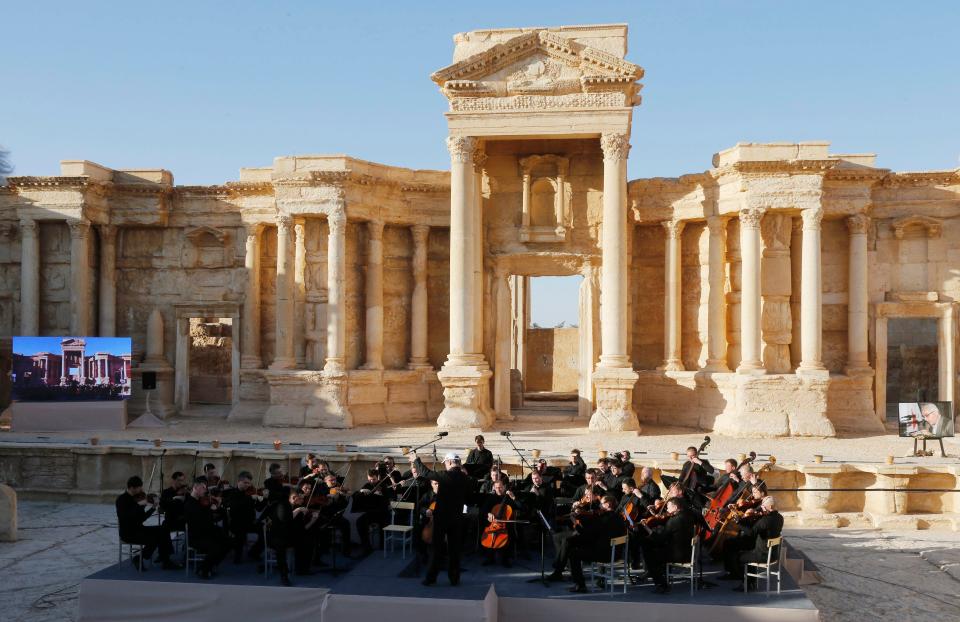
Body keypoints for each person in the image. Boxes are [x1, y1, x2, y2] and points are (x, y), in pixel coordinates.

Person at [422, 453, 470, 587]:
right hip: (457, 518)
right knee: (455, 550)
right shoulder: (464, 477)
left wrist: (416, 460)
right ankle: (454, 579)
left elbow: (426, 473)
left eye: (445, 463)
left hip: (442, 518)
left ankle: (431, 578)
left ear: (449, 462)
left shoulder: (445, 475)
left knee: (437, 549)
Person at [116, 476, 179, 570]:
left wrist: (153, 508)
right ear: (132, 488)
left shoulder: (138, 498)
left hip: (139, 529)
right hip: (128, 533)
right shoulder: (121, 500)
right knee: (155, 538)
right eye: (139, 488)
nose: (141, 490)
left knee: (163, 529)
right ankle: (139, 558)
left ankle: (165, 559)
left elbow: (142, 518)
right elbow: (124, 517)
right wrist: (138, 505)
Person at [566, 495, 627, 593]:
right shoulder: (619, 517)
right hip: (616, 553)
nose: (599, 506)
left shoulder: (603, 519)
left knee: (573, 554)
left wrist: (575, 522)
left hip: (604, 554)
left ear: (608, 504)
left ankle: (580, 585)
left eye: (601, 504)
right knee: (580, 547)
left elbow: (586, 534)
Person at [720, 496, 784, 588]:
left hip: (762, 554)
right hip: (772, 553)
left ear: (770, 507)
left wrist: (738, 522)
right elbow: (760, 527)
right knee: (733, 545)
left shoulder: (765, 520)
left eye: (763, 506)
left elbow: (751, 532)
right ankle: (750, 580)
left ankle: (747, 582)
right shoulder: (779, 518)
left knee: (740, 557)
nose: (761, 508)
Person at [639, 497, 698, 594]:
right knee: (653, 549)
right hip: (688, 551)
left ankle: (661, 584)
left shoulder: (674, 521)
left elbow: (660, 539)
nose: (666, 509)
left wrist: (646, 528)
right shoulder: (688, 516)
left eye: (668, 507)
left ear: (675, 507)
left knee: (650, 556)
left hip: (678, 555)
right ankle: (658, 572)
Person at [183, 477, 231, 579]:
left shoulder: (201, 501)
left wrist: (217, 506)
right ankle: (204, 569)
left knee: (228, 542)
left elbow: (208, 520)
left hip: (206, 532)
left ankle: (210, 565)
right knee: (217, 547)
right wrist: (211, 510)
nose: (206, 490)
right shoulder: (189, 504)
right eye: (203, 488)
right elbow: (202, 522)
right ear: (195, 487)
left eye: (206, 488)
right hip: (197, 537)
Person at [221, 471, 266, 563]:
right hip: (237, 522)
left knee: (265, 530)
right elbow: (234, 507)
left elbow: (259, 509)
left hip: (250, 522)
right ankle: (238, 556)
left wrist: (263, 499)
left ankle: (254, 552)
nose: (247, 485)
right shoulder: (231, 493)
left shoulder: (250, 493)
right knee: (240, 532)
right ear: (239, 481)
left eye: (249, 483)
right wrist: (250, 498)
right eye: (245, 483)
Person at [480, 479, 523, 567]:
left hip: (505, 526)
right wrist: (488, 513)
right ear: (494, 488)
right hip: (493, 524)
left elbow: (521, 507)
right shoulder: (491, 498)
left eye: (500, 487)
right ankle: (489, 557)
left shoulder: (509, 498)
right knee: (487, 532)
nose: (498, 489)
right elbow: (483, 510)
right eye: (496, 487)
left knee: (510, 534)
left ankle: (505, 559)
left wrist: (514, 498)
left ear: (504, 487)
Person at [356, 468, 395, 555]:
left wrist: (380, 496)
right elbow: (359, 499)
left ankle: (382, 545)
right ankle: (366, 546)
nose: (372, 481)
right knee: (360, 522)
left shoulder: (383, 486)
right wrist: (361, 492)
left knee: (383, 523)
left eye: (374, 479)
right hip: (371, 513)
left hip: (382, 513)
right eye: (370, 479)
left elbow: (387, 502)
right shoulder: (367, 485)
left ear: (377, 477)